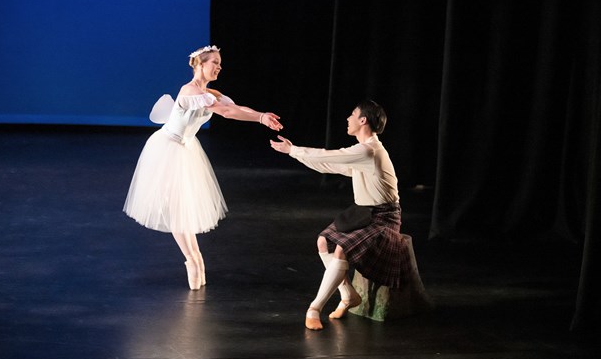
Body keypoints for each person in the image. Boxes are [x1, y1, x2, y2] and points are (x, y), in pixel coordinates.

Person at [124, 45, 283, 290]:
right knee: (176, 208)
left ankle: (196, 261)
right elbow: (227, 112)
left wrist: (261, 114)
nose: (219, 67)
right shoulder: (188, 91)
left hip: (186, 148)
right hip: (169, 148)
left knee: (182, 208)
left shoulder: (211, 93)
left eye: (220, 63)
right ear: (200, 64)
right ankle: (193, 260)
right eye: (215, 63)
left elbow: (237, 107)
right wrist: (259, 119)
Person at [270, 100, 409, 330]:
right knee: (323, 241)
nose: (348, 118)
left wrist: (293, 150)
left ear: (363, 120)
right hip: (365, 213)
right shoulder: (362, 151)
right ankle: (348, 296)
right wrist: (294, 153)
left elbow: (330, 155)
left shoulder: (368, 150)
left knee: (341, 249)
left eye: (352, 114)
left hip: (384, 219)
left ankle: (314, 308)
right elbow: (328, 164)